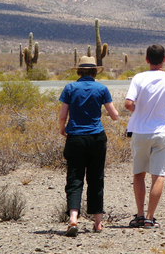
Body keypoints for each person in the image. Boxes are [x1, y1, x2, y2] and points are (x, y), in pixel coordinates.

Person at [124, 44, 165, 229]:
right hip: (162, 132)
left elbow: (127, 103)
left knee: (139, 173)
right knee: (158, 175)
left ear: (147, 59)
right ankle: (150, 217)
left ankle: (140, 215)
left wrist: (139, 111)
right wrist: (163, 113)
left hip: (140, 132)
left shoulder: (139, 78)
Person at [58, 56, 118, 236]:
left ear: (79, 71)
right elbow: (114, 114)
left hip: (75, 136)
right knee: (96, 177)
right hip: (96, 137)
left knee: (74, 178)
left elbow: (63, 115)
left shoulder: (70, 88)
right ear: (94, 72)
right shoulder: (102, 88)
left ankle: (73, 219)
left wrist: (63, 130)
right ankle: (98, 223)